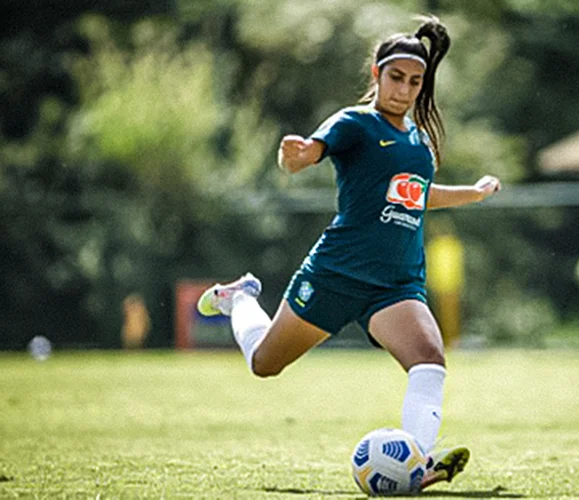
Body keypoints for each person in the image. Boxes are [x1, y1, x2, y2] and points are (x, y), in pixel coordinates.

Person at [196, 16, 500, 490]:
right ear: (376, 75)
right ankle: (239, 298)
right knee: (263, 363)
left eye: (415, 82)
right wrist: (293, 156)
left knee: (429, 361)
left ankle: (415, 464)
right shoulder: (355, 123)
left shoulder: (418, 139)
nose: (404, 89)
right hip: (336, 274)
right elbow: (304, 154)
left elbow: (415, 193)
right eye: (396, 78)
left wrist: (473, 193)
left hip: (397, 284)